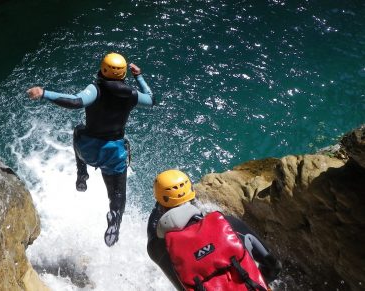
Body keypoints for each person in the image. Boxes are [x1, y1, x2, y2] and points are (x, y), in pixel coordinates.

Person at [27, 52, 155, 247]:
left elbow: (75, 102)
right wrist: (139, 76)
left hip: (88, 149)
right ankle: (115, 218)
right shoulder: (131, 94)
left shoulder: (96, 89)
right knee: (117, 194)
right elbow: (152, 99)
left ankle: (82, 173)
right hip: (114, 153)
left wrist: (45, 93)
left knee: (78, 130)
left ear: (102, 69)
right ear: (122, 74)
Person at [147, 169, 282, 290]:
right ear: (192, 194)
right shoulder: (229, 223)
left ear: (161, 205)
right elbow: (274, 266)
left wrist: (161, 197)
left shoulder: (158, 249)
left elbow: (153, 227)